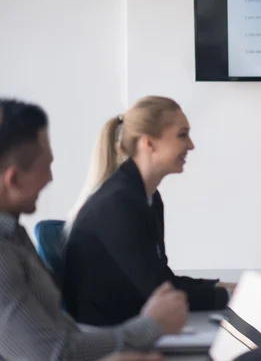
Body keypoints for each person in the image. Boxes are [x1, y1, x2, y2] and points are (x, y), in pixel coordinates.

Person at [0, 98, 188, 361]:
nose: (51, 179)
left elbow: (61, 336)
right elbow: (55, 354)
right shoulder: (4, 257)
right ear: (13, 178)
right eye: (47, 166)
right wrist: (149, 327)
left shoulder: (14, 235)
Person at [63, 96, 231, 326]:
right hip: (111, 340)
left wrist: (226, 288)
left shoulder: (147, 197)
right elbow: (158, 292)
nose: (191, 145)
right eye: (182, 135)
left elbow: (162, 280)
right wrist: (233, 295)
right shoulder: (118, 205)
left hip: (133, 325)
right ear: (148, 143)